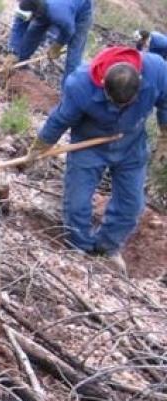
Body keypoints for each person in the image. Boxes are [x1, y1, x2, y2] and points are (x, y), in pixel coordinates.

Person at [27, 46, 167, 272]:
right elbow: (60, 119)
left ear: (140, 82)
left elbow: (166, 103)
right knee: (78, 202)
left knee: (132, 205)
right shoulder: (80, 85)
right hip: (89, 144)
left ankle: (105, 248)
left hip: (131, 145)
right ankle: (79, 247)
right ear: (103, 85)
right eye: (113, 102)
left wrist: (165, 136)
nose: (117, 108)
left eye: (125, 104)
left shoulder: (157, 70)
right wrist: (40, 146)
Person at [3, 0, 93, 87]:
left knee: (74, 53)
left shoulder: (59, 14)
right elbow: (19, 26)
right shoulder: (25, 5)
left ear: (36, 13)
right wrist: (13, 52)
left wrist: (58, 46)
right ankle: (19, 65)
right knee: (33, 32)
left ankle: (68, 94)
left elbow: (69, 31)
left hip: (81, 12)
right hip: (49, 8)